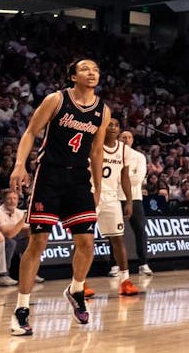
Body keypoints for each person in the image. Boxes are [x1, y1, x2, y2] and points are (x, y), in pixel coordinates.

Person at [8, 58, 111, 336]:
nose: (92, 73)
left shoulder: (103, 110)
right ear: (73, 76)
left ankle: (76, 289)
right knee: (38, 240)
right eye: (86, 69)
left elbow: (97, 152)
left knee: (87, 243)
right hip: (49, 174)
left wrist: (98, 186)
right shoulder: (56, 99)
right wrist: (20, 164)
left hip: (79, 178)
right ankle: (22, 308)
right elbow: (30, 132)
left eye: (96, 69)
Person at [98, 117, 140, 296]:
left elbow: (125, 177)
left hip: (111, 197)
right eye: (110, 124)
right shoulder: (95, 144)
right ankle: (79, 284)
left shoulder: (123, 150)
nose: (113, 127)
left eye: (116, 125)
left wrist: (129, 201)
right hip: (91, 195)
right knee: (83, 240)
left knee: (118, 240)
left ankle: (125, 281)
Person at [119, 129, 152, 276]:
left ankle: (143, 264)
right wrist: (127, 176)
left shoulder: (139, 156)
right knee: (115, 234)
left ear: (132, 140)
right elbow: (107, 178)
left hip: (135, 198)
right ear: (119, 139)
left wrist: (120, 178)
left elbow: (138, 178)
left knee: (140, 231)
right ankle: (115, 266)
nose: (126, 139)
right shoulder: (111, 155)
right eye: (123, 137)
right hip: (115, 198)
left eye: (129, 137)